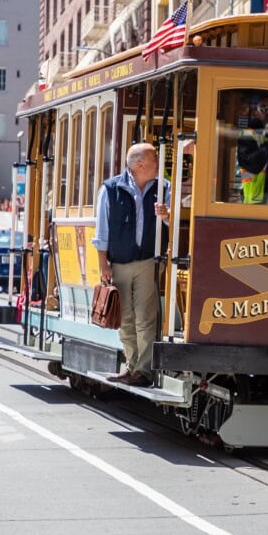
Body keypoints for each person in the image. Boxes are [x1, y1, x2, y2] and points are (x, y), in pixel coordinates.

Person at [92, 142, 171, 388]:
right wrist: (103, 264)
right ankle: (132, 365)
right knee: (125, 317)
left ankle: (143, 372)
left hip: (148, 261)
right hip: (120, 262)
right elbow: (101, 231)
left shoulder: (163, 187)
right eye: (153, 161)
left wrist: (167, 215)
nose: (158, 165)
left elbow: (176, 223)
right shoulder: (110, 189)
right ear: (139, 165)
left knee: (146, 316)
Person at [237, 93, 268, 205]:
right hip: (258, 205)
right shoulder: (248, 135)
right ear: (256, 113)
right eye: (263, 107)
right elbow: (251, 164)